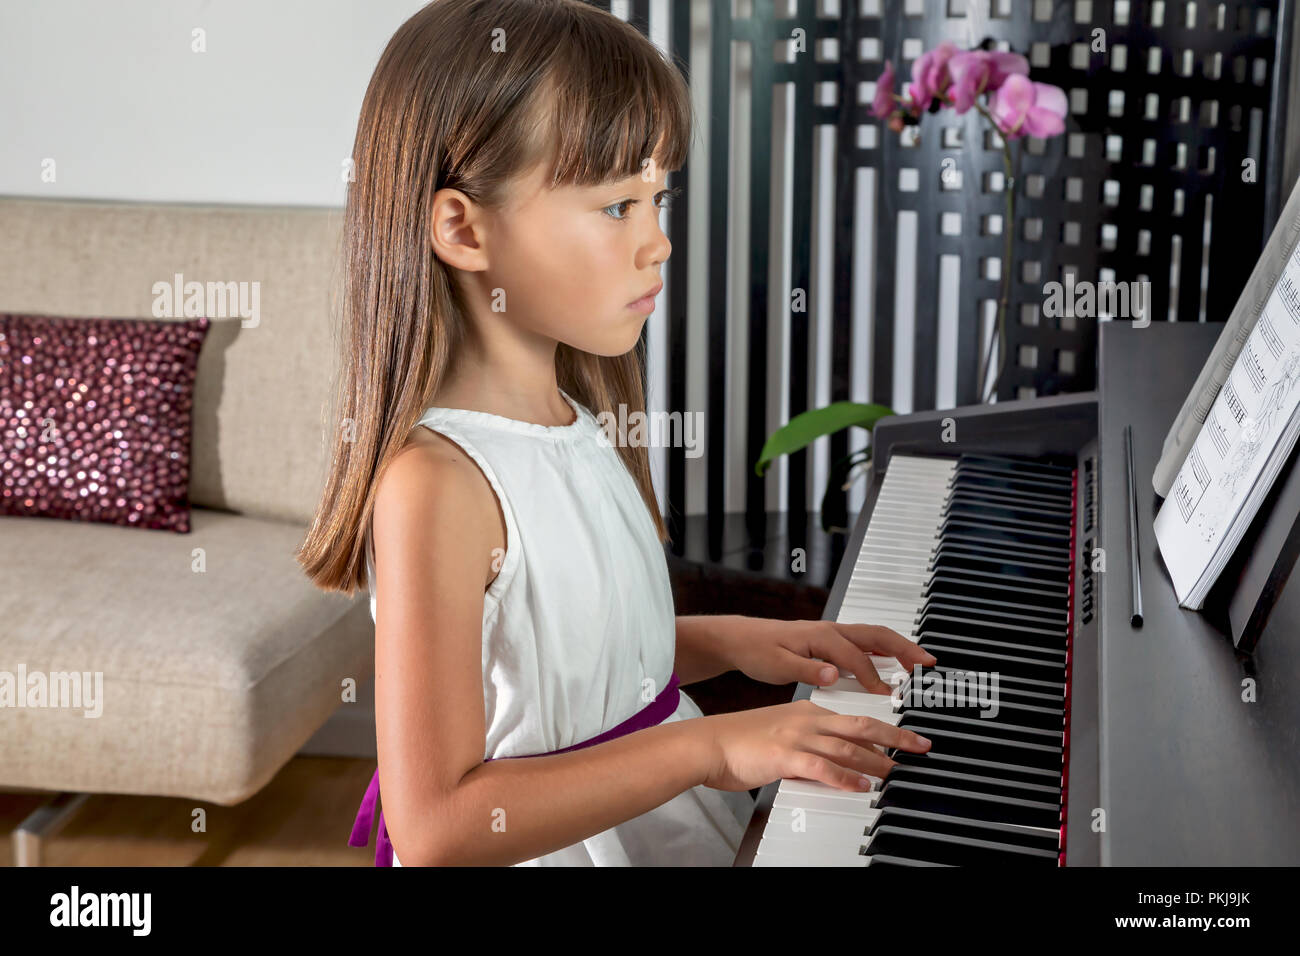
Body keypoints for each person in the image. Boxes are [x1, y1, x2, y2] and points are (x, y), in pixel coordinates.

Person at [297, 0, 934, 867]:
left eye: (657, 198)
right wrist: (711, 749)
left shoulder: (578, 421)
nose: (658, 243)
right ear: (464, 228)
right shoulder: (438, 485)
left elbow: (568, 660)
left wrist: (737, 640)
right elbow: (438, 823)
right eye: (615, 207)